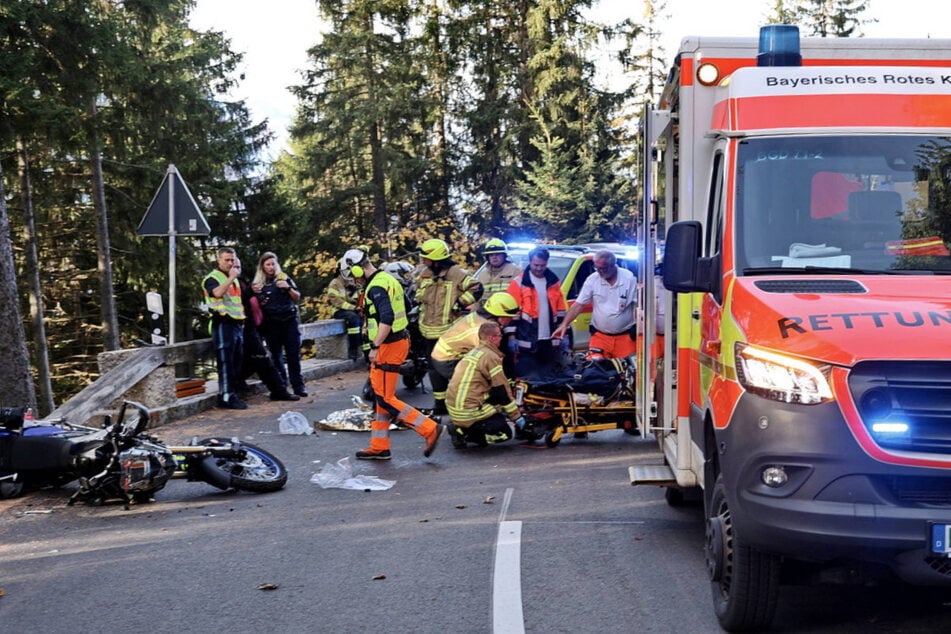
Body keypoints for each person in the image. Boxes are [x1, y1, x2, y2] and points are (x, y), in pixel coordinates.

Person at [339, 248, 443, 460]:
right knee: (380, 398)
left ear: (357, 268)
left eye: (353, 275)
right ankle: (379, 445)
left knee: (386, 398)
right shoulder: (387, 277)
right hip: (397, 341)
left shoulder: (376, 287)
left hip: (388, 346)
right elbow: (404, 305)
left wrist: (375, 346)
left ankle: (428, 427)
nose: (354, 280)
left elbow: (386, 317)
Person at [414, 238, 483, 414]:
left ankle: (459, 400)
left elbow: (477, 288)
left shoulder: (455, 273)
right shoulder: (425, 273)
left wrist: (460, 303)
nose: (423, 261)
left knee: (446, 368)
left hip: (448, 331)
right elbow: (420, 294)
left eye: (426, 258)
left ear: (436, 259)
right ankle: (440, 404)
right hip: (428, 329)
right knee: (432, 368)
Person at [445, 321, 526, 449]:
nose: (501, 338)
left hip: (455, 408)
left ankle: (461, 427)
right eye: (499, 335)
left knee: (498, 406)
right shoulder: (491, 357)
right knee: (505, 433)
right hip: (469, 411)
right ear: (492, 338)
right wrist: (517, 417)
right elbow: (501, 392)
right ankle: (465, 433)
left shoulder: (475, 352)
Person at [429, 292, 519, 402]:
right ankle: (477, 404)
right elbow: (489, 359)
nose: (511, 320)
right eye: (508, 317)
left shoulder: (481, 317)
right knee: (481, 377)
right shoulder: (482, 330)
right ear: (498, 315)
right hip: (448, 360)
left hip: (444, 353)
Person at [552, 250, 637, 359]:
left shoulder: (629, 279)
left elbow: (641, 306)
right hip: (600, 337)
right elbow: (578, 304)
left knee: (626, 372)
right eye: (597, 268)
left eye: (603, 268)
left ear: (612, 265)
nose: (600, 272)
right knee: (594, 369)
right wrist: (564, 324)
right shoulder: (593, 279)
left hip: (625, 337)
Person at [506, 246, 567, 379]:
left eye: (542, 265)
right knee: (526, 379)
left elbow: (560, 310)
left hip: (549, 341)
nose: (539, 268)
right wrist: (511, 337)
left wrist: (564, 334)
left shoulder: (553, 282)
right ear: (530, 262)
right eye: (536, 265)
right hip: (526, 341)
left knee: (548, 378)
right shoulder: (519, 283)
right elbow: (511, 313)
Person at [237, 275, 301, 402]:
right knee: (252, 360)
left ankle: (279, 391)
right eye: (229, 261)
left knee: (262, 359)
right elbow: (240, 299)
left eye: (237, 265)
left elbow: (254, 301)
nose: (234, 267)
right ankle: (236, 386)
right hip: (235, 326)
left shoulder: (243, 281)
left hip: (251, 326)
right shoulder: (228, 281)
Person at [253, 252, 307, 397]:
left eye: (273, 264)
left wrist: (287, 287)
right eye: (268, 265)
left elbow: (297, 297)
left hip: (289, 320)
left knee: (293, 354)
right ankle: (282, 385)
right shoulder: (258, 284)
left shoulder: (284, 278)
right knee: (276, 355)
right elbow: (255, 304)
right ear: (263, 267)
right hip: (271, 323)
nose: (271, 267)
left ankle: (298, 385)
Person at [202, 247, 247, 410]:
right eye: (227, 260)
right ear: (219, 260)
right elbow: (217, 293)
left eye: (232, 260)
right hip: (221, 322)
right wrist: (232, 277)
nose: (230, 263)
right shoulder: (213, 278)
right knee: (226, 362)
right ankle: (227, 396)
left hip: (236, 323)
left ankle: (232, 393)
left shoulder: (233, 277)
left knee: (236, 361)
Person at [328, 259, 365, 361]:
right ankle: (353, 349)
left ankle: (364, 348)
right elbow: (337, 302)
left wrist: (354, 291)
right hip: (339, 311)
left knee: (363, 320)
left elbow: (357, 298)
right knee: (353, 318)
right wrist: (354, 308)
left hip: (353, 309)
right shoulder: (334, 284)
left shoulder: (353, 282)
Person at [474, 239, 522, 311]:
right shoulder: (482, 275)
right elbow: (477, 300)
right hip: (486, 314)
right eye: (491, 255)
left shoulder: (516, 271)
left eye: (497, 254)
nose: (494, 257)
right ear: (487, 257)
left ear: (504, 255)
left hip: (508, 314)